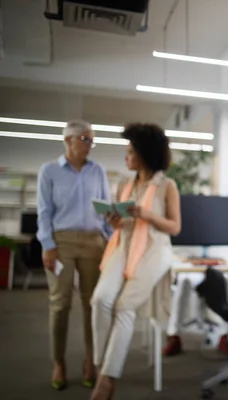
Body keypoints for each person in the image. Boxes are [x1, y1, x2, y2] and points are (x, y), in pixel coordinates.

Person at [90, 123, 181, 400]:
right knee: (100, 300)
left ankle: (106, 380)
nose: (126, 156)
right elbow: (121, 225)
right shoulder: (124, 184)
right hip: (124, 244)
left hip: (155, 249)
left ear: (145, 153)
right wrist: (115, 220)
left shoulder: (167, 185)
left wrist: (145, 213)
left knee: (124, 307)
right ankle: (100, 365)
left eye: (130, 151)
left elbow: (175, 227)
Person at [36, 120, 112, 391]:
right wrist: (47, 244)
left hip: (93, 242)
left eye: (92, 140)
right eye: (85, 139)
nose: (90, 145)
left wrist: (111, 241)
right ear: (68, 140)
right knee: (60, 304)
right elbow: (44, 211)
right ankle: (58, 362)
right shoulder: (49, 171)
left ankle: (91, 362)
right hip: (62, 243)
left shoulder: (97, 171)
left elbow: (106, 211)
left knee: (93, 304)